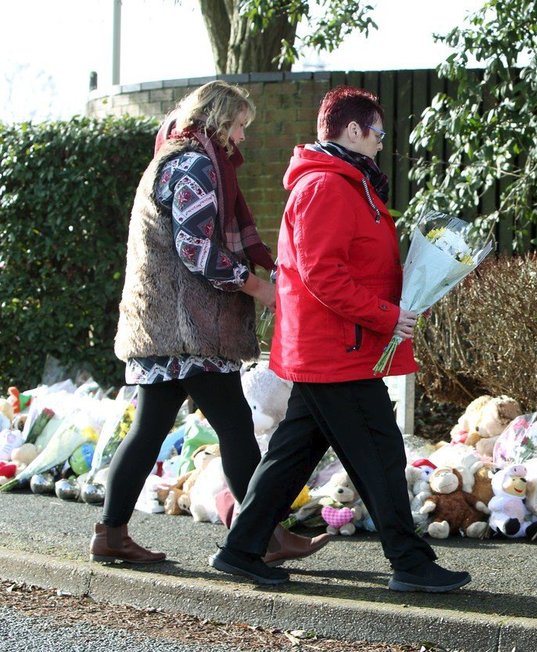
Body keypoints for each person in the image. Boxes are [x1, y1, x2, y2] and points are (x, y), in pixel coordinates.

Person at [209, 86, 471, 592]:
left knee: (293, 456)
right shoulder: (326, 187)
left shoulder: (348, 184)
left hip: (333, 347)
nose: (379, 142)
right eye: (376, 132)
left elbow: (349, 268)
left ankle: (241, 550)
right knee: (381, 452)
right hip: (336, 351)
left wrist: (401, 299)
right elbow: (322, 275)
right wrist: (385, 315)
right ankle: (411, 563)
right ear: (353, 131)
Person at [93, 81, 329, 566]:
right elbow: (197, 249)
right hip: (188, 330)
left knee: (153, 430)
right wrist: (260, 289)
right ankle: (261, 536)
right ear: (219, 121)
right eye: (240, 125)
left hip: (166, 327)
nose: (241, 138)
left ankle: (111, 535)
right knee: (235, 428)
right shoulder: (196, 166)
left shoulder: (173, 158)